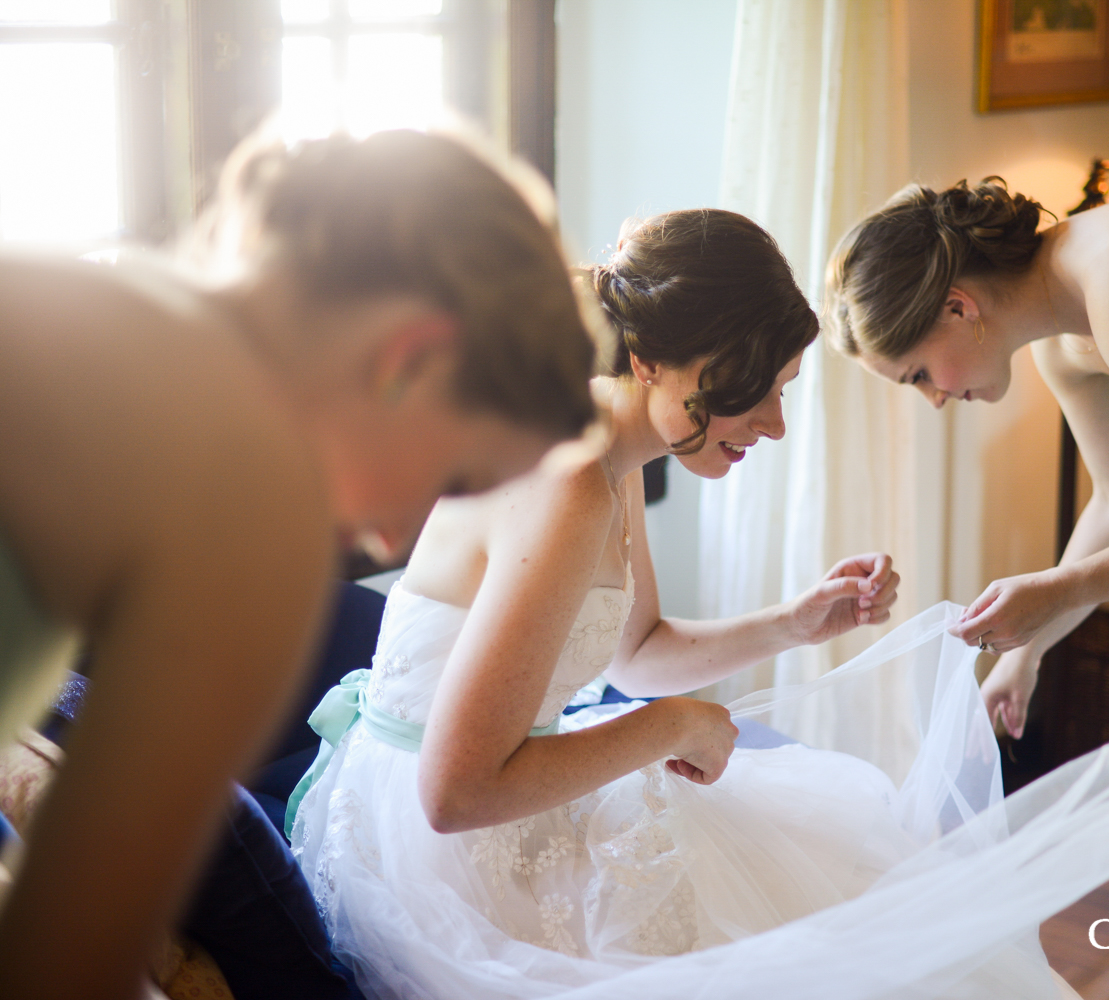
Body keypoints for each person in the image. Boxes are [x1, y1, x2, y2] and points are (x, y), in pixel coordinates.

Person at [0, 123, 600, 999]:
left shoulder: (49, 296)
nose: (394, 541)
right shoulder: (253, 530)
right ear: (408, 358)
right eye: (452, 475)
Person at [287, 208, 933, 996]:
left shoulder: (613, 456)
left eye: (782, 389)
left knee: (833, 900)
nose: (773, 425)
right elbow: (455, 793)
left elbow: (639, 650)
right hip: (440, 854)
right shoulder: (568, 485)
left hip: (494, 792)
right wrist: (669, 723)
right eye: (747, 388)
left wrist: (796, 622)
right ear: (648, 359)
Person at [823, 176, 1109, 739]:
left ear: (957, 307)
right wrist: (1023, 656)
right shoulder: (1058, 343)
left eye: (918, 375)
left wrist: (1063, 589)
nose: (935, 400)